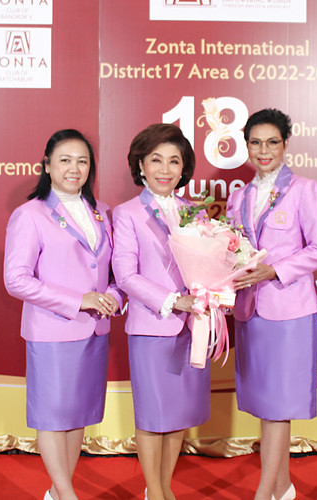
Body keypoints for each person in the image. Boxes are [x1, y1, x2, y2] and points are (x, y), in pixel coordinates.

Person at [4, 129, 122, 500]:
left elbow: (114, 274)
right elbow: (16, 280)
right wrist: (78, 300)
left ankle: (58, 493)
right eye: (65, 160)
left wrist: (113, 296)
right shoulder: (30, 214)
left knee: (77, 416)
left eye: (82, 161)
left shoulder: (102, 212)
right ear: (47, 165)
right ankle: (67, 495)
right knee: (53, 417)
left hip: (94, 332)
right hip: (52, 332)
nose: (74, 168)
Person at [225, 108, 317, 500]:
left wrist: (274, 270)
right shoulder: (238, 197)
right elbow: (232, 252)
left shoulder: (305, 189)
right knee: (264, 404)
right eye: (256, 143)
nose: (264, 150)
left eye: (272, 142)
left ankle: (263, 492)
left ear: (286, 144)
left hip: (290, 312)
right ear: (246, 146)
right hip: (250, 312)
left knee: (278, 407)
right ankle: (283, 488)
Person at [112, 123, 211, 500]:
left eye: (174, 160)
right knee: (153, 416)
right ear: (140, 165)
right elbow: (126, 274)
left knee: (178, 414)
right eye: (156, 160)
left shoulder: (195, 212)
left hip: (192, 327)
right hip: (152, 326)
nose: (165, 169)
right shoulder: (127, 214)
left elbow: (208, 265)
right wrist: (172, 301)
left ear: (184, 167)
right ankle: (154, 491)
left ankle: (163, 488)